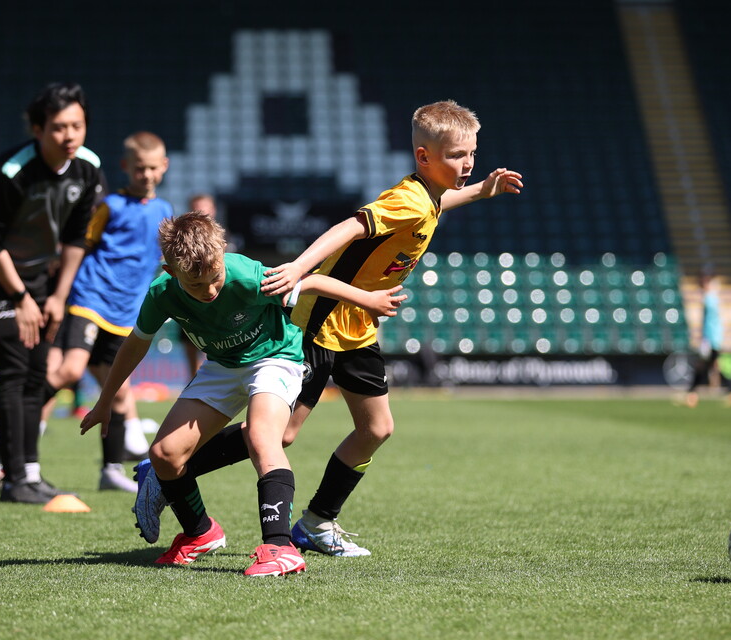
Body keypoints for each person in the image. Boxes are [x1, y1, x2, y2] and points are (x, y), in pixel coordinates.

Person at [132, 100, 522, 556]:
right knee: (280, 435)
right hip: (318, 322)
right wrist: (298, 266)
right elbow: (350, 227)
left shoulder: (428, 195)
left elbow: (440, 200)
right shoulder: (408, 199)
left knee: (376, 429)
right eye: (458, 155)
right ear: (424, 157)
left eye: (472, 153)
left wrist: (480, 191)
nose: (469, 162)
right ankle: (164, 471)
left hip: (357, 325)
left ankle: (316, 522)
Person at [79, 211, 404, 575]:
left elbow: (312, 283)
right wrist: (105, 401)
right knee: (165, 454)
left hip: (275, 357)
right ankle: (200, 534)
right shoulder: (162, 295)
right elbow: (134, 346)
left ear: (222, 257)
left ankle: (280, 547)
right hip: (222, 365)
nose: (211, 291)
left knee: (264, 439)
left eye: (215, 278)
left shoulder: (246, 275)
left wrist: (366, 299)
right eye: (197, 286)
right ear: (172, 273)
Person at [0, 82, 107, 504]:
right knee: (11, 369)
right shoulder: (10, 172)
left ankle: (29, 473)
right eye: (59, 127)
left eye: (77, 126)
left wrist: (58, 296)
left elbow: (77, 239)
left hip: (42, 278)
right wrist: (21, 299)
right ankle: (12, 480)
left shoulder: (87, 169)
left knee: (36, 373)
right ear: (38, 129)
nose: (69, 136)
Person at [43, 131, 173, 492]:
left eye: (152, 168)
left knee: (117, 390)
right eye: (138, 168)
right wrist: (60, 294)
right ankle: (10, 437)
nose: (145, 175)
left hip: (125, 310)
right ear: (125, 167)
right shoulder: (110, 206)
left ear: (164, 167)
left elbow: (164, 260)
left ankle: (110, 471)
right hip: (90, 298)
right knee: (69, 370)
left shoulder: (165, 212)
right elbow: (80, 247)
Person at [685, 273, 731, 407]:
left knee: (703, 366)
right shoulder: (712, 299)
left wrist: (706, 340)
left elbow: (711, 323)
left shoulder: (709, 300)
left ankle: (692, 393)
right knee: (713, 366)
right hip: (712, 340)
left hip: (710, 341)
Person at [179, 193, 218, 377]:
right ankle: (193, 382)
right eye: (196, 209)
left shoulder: (224, 239)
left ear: (213, 210)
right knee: (190, 343)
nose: (201, 213)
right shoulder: (180, 242)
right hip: (190, 303)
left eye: (204, 208)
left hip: (216, 306)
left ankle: (213, 381)